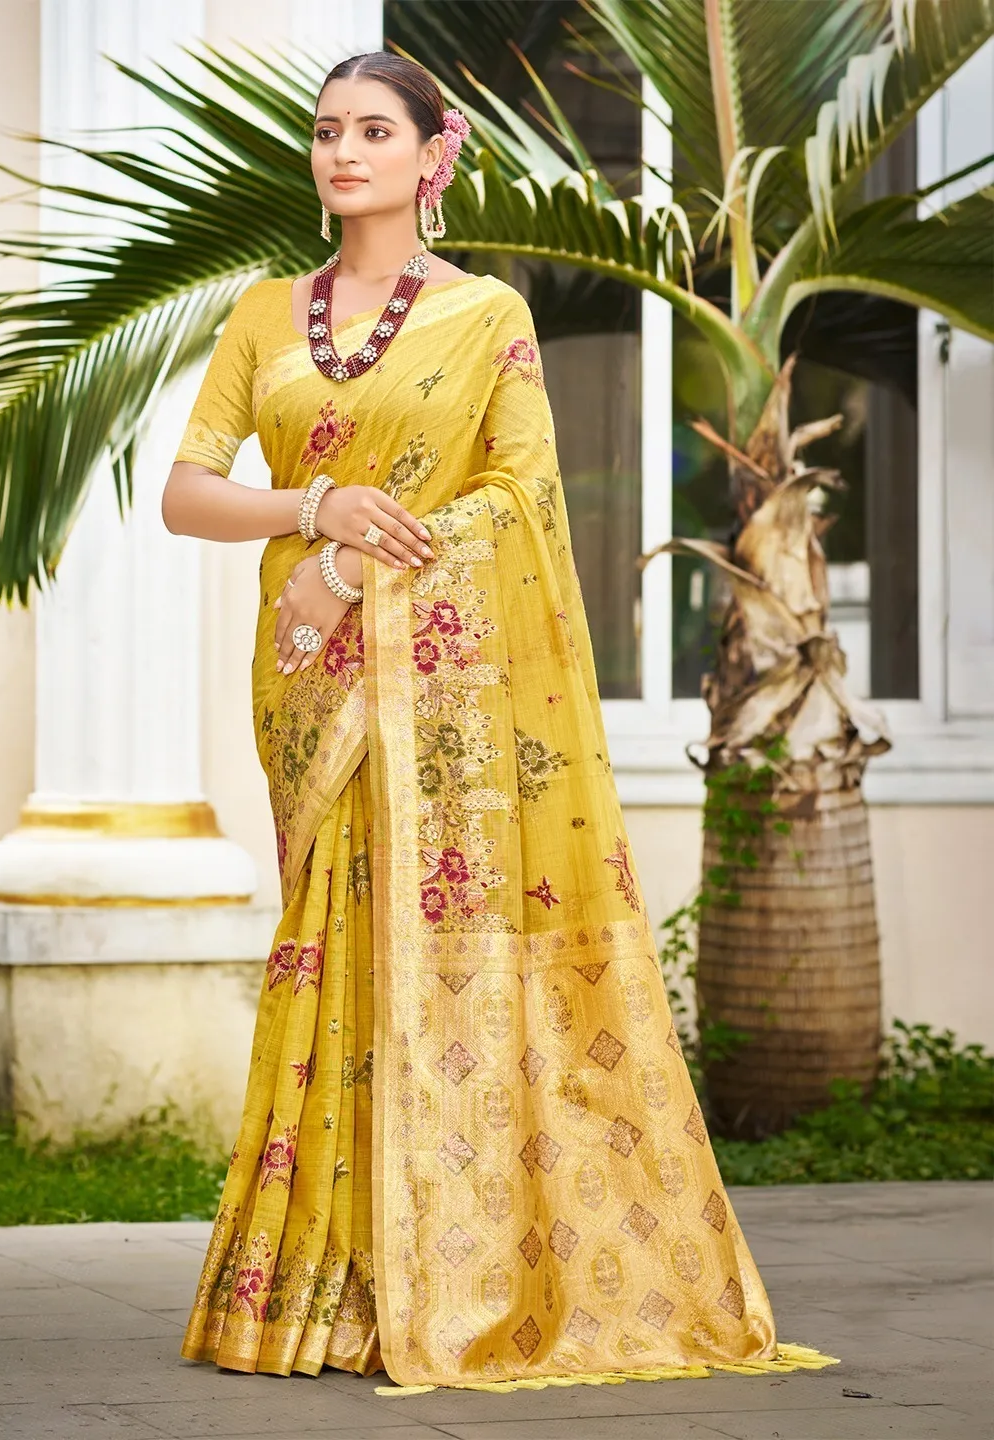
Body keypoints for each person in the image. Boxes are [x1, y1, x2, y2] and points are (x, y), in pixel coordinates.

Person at [162, 49, 834, 1395]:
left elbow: (523, 496)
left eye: (373, 130)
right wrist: (314, 515)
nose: (343, 152)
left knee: (419, 947)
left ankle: (447, 1275)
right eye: (327, 131)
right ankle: (319, 1290)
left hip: (433, 689)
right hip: (309, 674)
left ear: (434, 153)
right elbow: (188, 493)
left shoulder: (486, 316)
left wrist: (358, 566)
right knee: (328, 938)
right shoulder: (260, 314)